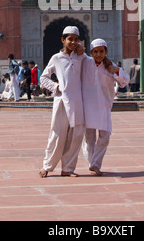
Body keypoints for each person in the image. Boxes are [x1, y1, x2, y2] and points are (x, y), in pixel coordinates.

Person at [39, 26, 86, 178]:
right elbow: (43, 78)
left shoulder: (82, 57)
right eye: (70, 39)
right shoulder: (56, 58)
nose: (73, 42)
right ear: (63, 40)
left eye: (76, 39)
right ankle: (47, 166)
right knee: (57, 134)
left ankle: (68, 168)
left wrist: (83, 50)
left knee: (76, 136)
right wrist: (56, 86)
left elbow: (95, 64)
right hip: (62, 101)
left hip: (78, 102)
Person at [82, 38, 130, 176]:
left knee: (105, 136)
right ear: (91, 52)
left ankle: (94, 163)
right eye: (95, 52)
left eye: (101, 51)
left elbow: (124, 81)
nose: (98, 54)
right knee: (88, 139)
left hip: (103, 106)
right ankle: (94, 164)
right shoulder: (85, 63)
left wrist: (117, 70)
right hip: (88, 106)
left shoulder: (110, 66)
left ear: (106, 51)